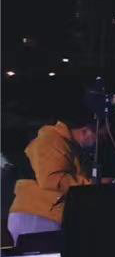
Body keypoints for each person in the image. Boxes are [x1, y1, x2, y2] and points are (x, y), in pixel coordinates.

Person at [8, 100, 98, 241]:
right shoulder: (51, 140)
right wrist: (93, 184)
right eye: (100, 135)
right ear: (85, 131)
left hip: (46, 215)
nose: (99, 141)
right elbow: (51, 180)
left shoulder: (68, 145)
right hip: (37, 215)